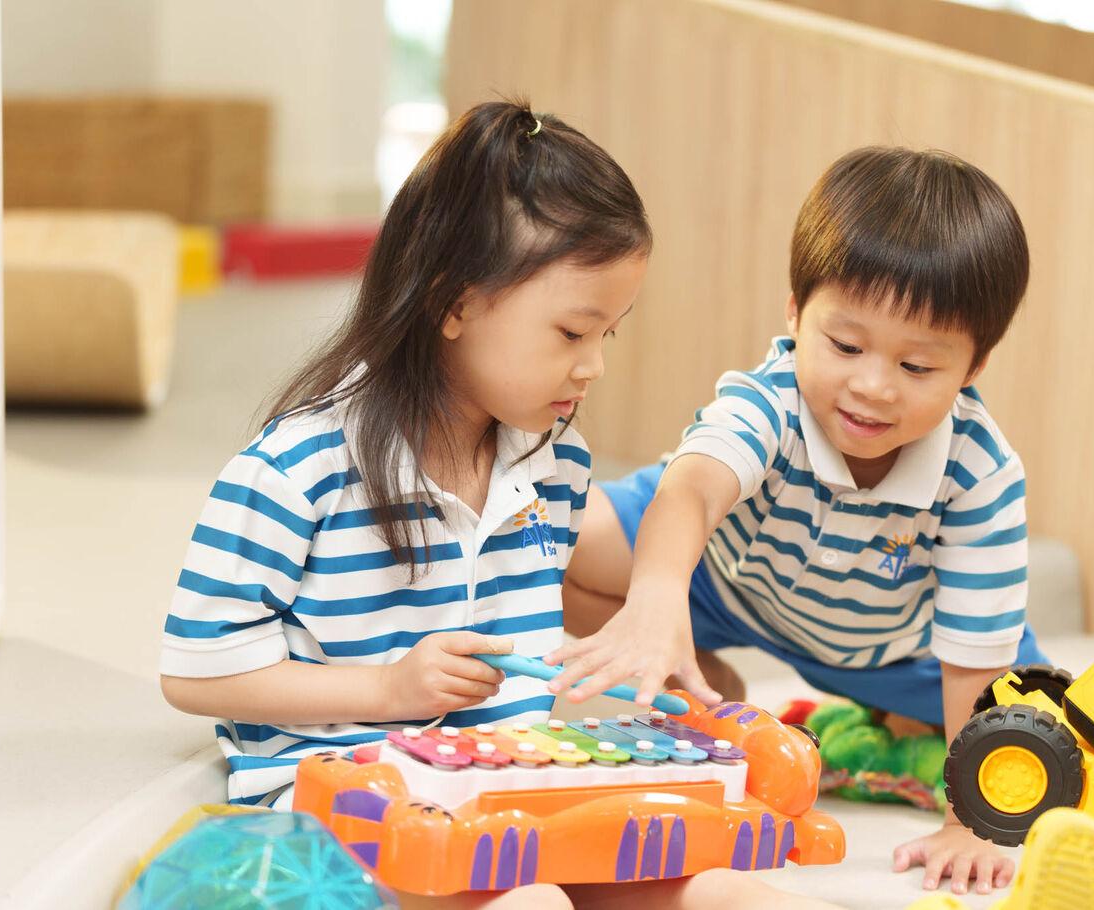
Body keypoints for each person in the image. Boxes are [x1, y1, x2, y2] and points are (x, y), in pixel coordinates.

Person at [160, 99, 842, 910]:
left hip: (511, 797)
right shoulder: (295, 470)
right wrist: (385, 692)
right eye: (570, 334)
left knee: (737, 893)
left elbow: (631, 571)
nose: (592, 367)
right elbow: (197, 674)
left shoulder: (554, 466)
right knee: (534, 905)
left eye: (608, 336)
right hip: (346, 811)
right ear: (454, 304)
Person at [555, 146, 1042, 897]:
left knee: (1040, 733)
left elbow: (978, 661)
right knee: (567, 536)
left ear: (974, 368)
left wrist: (970, 821)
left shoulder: (980, 473)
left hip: (890, 651)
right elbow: (689, 492)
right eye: (844, 345)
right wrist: (657, 603)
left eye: (918, 368)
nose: (872, 387)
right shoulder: (770, 399)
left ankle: (897, 732)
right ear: (794, 314)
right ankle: (706, 680)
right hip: (724, 585)